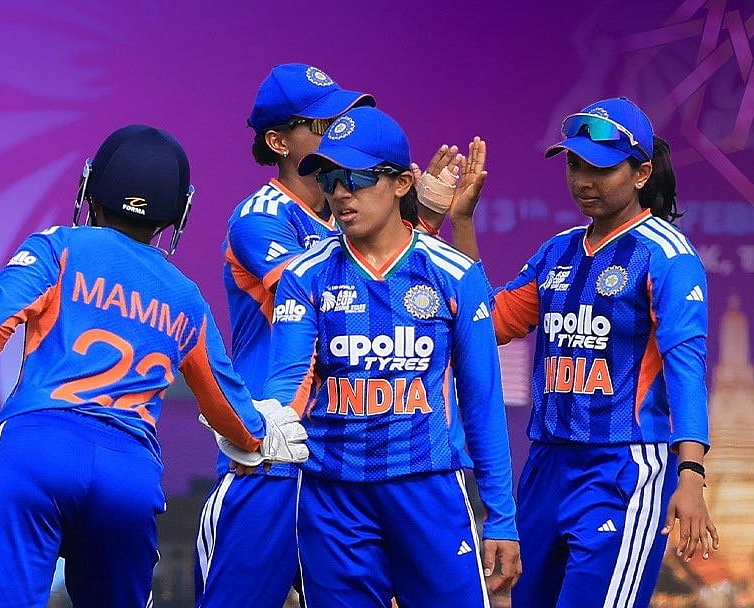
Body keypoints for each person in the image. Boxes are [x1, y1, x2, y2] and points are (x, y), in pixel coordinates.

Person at [0, 125, 309, 608]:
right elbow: (225, 404)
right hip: (128, 472)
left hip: (34, 451)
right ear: (177, 214)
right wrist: (259, 432)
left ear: (90, 188)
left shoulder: (56, 247)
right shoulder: (184, 295)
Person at [195, 63, 463, 608]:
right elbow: (342, 307)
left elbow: (381, 296)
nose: (338, 128)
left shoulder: (350, 228)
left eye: (342, 115)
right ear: (277, 141)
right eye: (319, 123)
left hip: (341, 463)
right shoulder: (261, 218)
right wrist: (413, 225)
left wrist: (419, 225)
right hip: (272, 459)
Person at [447, 96, 719, 608]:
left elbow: (686, 369)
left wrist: (691, 474)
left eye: (600, 168)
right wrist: (462, 223)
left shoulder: (666, 256)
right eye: (574, 164)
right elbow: (486, 324)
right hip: (547, 463)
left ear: (640, 173)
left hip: (623, 468)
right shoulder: (558, 250)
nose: (583, 180)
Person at [264, 105, 521, 607]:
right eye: (330, 179)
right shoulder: (305, 274)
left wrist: (503, 518)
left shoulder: (455, 274)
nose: (340, 192)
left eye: (356, 177)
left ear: (403, 183)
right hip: (331, 498)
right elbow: (287, 385)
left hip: (428, 490)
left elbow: (482, 402)